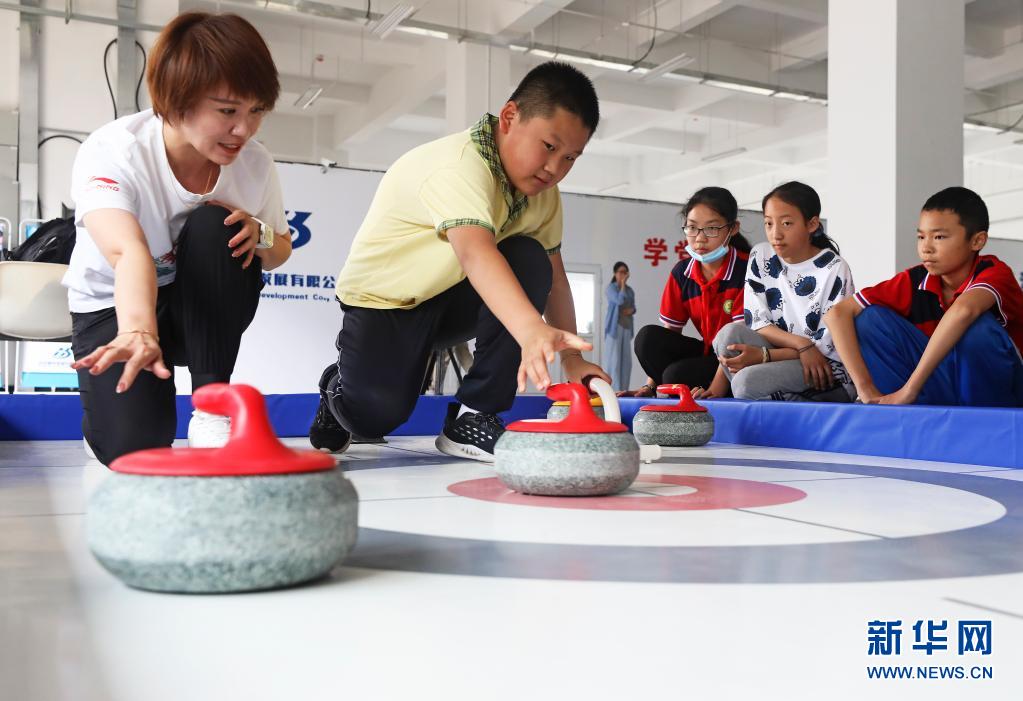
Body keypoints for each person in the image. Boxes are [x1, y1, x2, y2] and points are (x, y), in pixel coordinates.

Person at [309, 62, 610, 462]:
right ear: (510, 117)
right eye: (549, 147)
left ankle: (474, 415)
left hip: (450, 298)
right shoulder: (458, 165)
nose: (555, 169)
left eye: (571, 157)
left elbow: (553, 277)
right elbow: (475, 253)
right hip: (385, 304)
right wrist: (530, 329)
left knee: (530, 258)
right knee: (374, 418)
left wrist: (573, 359)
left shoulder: (543, 195)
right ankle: (336, 385)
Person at [67, 12, 291, 465]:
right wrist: (138, 329)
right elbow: (127, 251)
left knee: (218, 225)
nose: (244, 130)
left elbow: (279, 249)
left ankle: (212, 408)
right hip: (118, 309)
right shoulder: (114, 151)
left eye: (256, 111)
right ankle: (106, 422)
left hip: (196, 311)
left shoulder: (255, 163)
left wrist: (258, 232)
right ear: (177, 99)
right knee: (135, 450)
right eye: (227, 111)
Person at [825, 186, 1023, 406]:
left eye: (939, 237)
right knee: (869, 320)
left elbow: (964, 311)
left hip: (1002, 392)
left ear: (977, 241)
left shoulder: (994, 272)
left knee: (975, 327)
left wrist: (910, 389)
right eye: (921, 236)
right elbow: (837, 314)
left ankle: (979, 421)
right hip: (944, 386)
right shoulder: (915, 279)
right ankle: (902, 412)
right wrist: (865, 389)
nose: (926, 248)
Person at [713, 181, 854, 402]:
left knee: (745, 383)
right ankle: (785, 400)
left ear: (812, 224)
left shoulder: (834, 268)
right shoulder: (761, 255)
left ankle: (817, 397)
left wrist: (765, 356)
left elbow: (827, 344)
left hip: (823, 364)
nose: (775, 234)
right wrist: (800, 345)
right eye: (769, 223)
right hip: (790, 352)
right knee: (727, 336)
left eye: (786, 223)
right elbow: (757, 322)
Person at [621, 187, 750, 399]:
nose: (700, 238)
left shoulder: (746, 270)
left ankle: (712, 389)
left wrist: (716, 390)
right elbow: (670, 334)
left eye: (712, 228)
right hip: (708, 354)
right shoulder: (682, 273)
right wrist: (650, 387)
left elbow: (738, 341)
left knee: (675, 376)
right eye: (692, 228)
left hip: (740, 358)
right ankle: (674, 388)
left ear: (733, 228)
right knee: (647, 339)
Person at [603, 261, 635, 390]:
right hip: (614, 329)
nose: (623, 275)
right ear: (615, 273)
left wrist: (631, 310)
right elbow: (619, 300)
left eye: (625, 272)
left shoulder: (630, 290)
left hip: (626, 327)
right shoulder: (611, 288)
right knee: (614, 361)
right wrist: (622, 285)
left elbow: (633, 306)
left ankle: (623, 390)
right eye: (621, 272)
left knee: (626, 362)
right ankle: (613, 390)